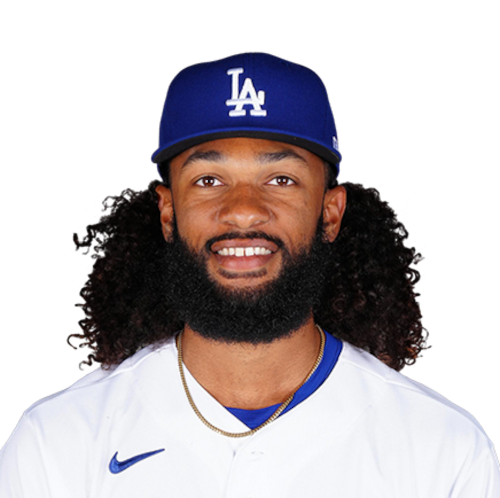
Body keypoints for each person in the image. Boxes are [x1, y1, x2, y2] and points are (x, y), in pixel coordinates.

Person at [1, 51, 498, 497]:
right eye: (208, 179)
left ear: (330, 213)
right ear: (168, 212)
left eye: (280, 179)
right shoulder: (57, 441)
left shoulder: (442, 449)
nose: (242, 210)